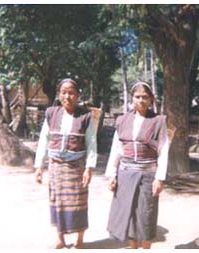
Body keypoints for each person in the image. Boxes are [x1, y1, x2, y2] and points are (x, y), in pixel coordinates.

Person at [105, 81, 170, 249]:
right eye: (137, 97)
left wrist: (159, 179)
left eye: (145, 97)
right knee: (129, 213)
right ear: (131, 98)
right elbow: (116, 149)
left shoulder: (158, 121)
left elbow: (163, 150)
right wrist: (112, 175)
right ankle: (133, 246)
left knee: (146, 214)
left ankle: (146, 246)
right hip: (125, 174)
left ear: (151, 100)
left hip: (147, 175)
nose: (141, 100)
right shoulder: (122, 120)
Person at [34, 78, 97, 249]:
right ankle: (60, 238)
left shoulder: (85, 116)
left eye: (71, 93)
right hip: (56, 166)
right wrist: (39, 166)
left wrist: (89, 168)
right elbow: (43, 140)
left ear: (77, 95)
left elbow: (92, 144)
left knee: (79, 201)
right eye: (64, 92)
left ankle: (79, 239)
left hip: (77, 167)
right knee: (57, 202)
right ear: (59, 94)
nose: (67, 96)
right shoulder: (51, 113)